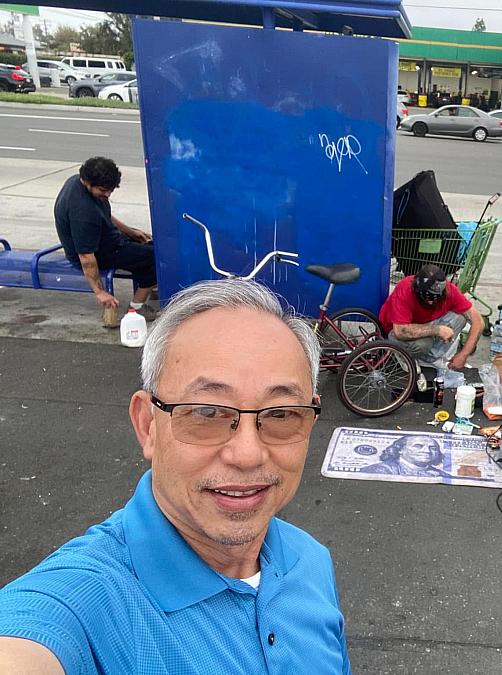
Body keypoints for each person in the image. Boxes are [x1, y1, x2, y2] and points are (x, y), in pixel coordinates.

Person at [0, 279, 351, 673]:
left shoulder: (310, 560)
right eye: (206, 412)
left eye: (281, 414)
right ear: (148, 424)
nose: (248, 454)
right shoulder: (88, 601)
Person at [54, 157, 158, 324]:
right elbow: (86, 258)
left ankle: (151, 285)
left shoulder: (77, 182)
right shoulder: (83, 213)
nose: (108, 194)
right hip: (98, 254)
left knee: (153, 244)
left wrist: (130, 232)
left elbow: (104, 215)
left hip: (106, 241)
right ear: (87, 182)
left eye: (110, 190)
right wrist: (100, 292)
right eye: (103, 190)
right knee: (158, 257)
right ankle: (136, 308)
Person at [380, 263, 484, 370]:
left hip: (423, 323)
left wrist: (463, 355)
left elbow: (478, 321)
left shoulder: (450, 290)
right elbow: (400, 331)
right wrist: (437, 330)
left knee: (460, 317)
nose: (430, 302)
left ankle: (429, 359)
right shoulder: (405, 288)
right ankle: (405, 357)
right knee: (424, 344)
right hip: (394, 330)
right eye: (426, 297)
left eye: (435, 298)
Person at [360, 435, 448, 477]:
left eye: (433, 448)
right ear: (400, 449)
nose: (427, 451)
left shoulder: (443, 475)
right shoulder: (380, 469)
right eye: (418, 446)